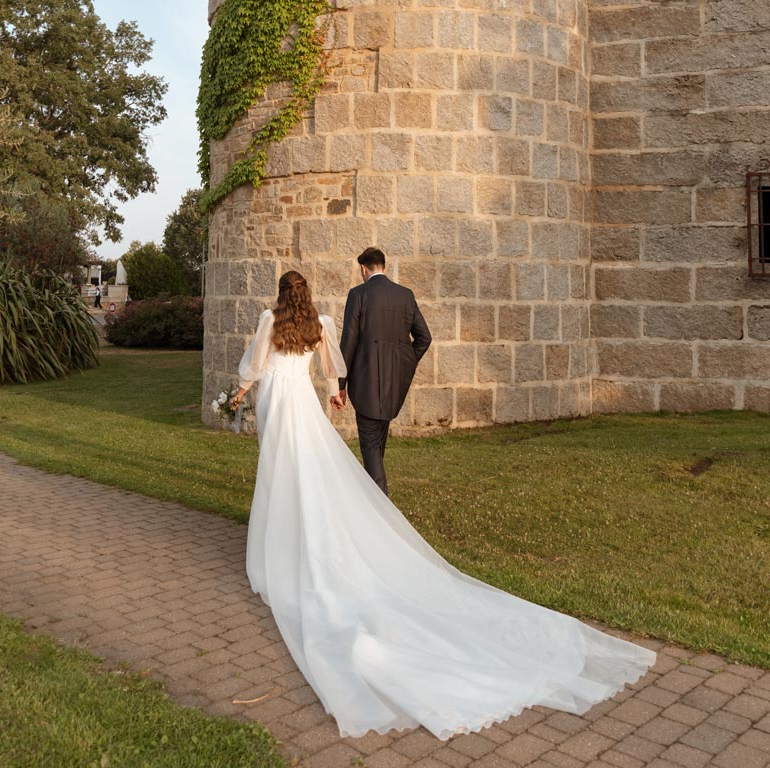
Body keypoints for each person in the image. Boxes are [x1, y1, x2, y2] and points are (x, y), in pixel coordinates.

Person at [231, 269, 655, 741]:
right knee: (308, 472)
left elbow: (254, 366)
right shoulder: (319, 323)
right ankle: (306, 535)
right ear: (305, 294)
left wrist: (238, 397)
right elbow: (333, 368)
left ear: (279, 295)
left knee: (280, 475)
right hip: (303, 408)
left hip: (278, 405)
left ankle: (284, 547)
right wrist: (334, 394)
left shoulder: (271, 321)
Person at [338, 247, 431, 494]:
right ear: (385, 267)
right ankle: (373, 504)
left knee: (371, 452)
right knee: (376, 448)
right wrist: (405, 363)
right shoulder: (405, 295)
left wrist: (340, 384)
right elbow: (424, 338)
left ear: (364, 269)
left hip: (365, 385)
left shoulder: (358, 294)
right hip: (393, 385)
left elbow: (348, 341)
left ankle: (382, 512)